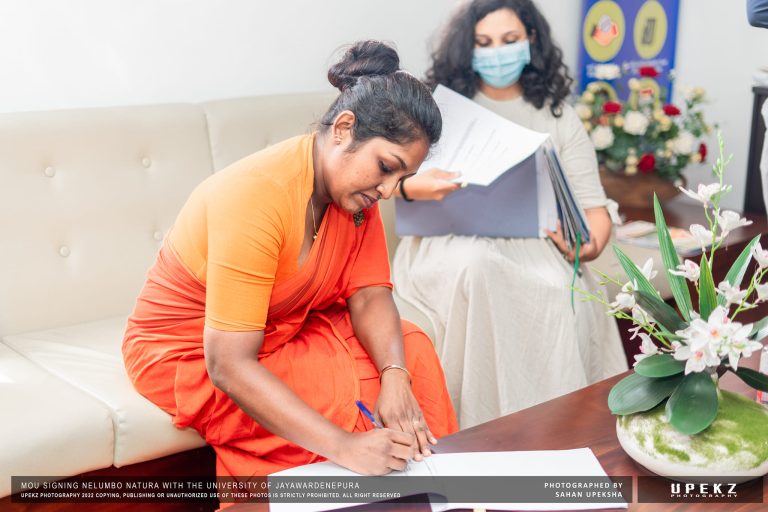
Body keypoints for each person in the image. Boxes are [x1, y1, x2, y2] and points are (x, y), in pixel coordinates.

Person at [122, 40, 458, 488]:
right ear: (344, 128)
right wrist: (345, 447)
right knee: (338, 400)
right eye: (385, 167)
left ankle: (437, 491)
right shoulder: (255, 196)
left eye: (403, 178)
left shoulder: (355, 194)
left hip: (285, 327)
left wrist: (395, 375)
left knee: (412, 352)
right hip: (192, 353)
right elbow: (229, 365)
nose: (389, 190)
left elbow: (369, 293)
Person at [393, 0, 627, 428]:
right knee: (478, 266)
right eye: (484, 43)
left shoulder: (558, 117)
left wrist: (589, 244)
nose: (496, 52)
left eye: (509, 40)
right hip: (448, 243)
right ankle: (478, 431)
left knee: (559, 288)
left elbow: (594, 208)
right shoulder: (439, 110)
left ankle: (551, 428)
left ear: (530, 39)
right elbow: (389, 179)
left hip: (534, 245)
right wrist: (412, 186)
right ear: (467, 47)